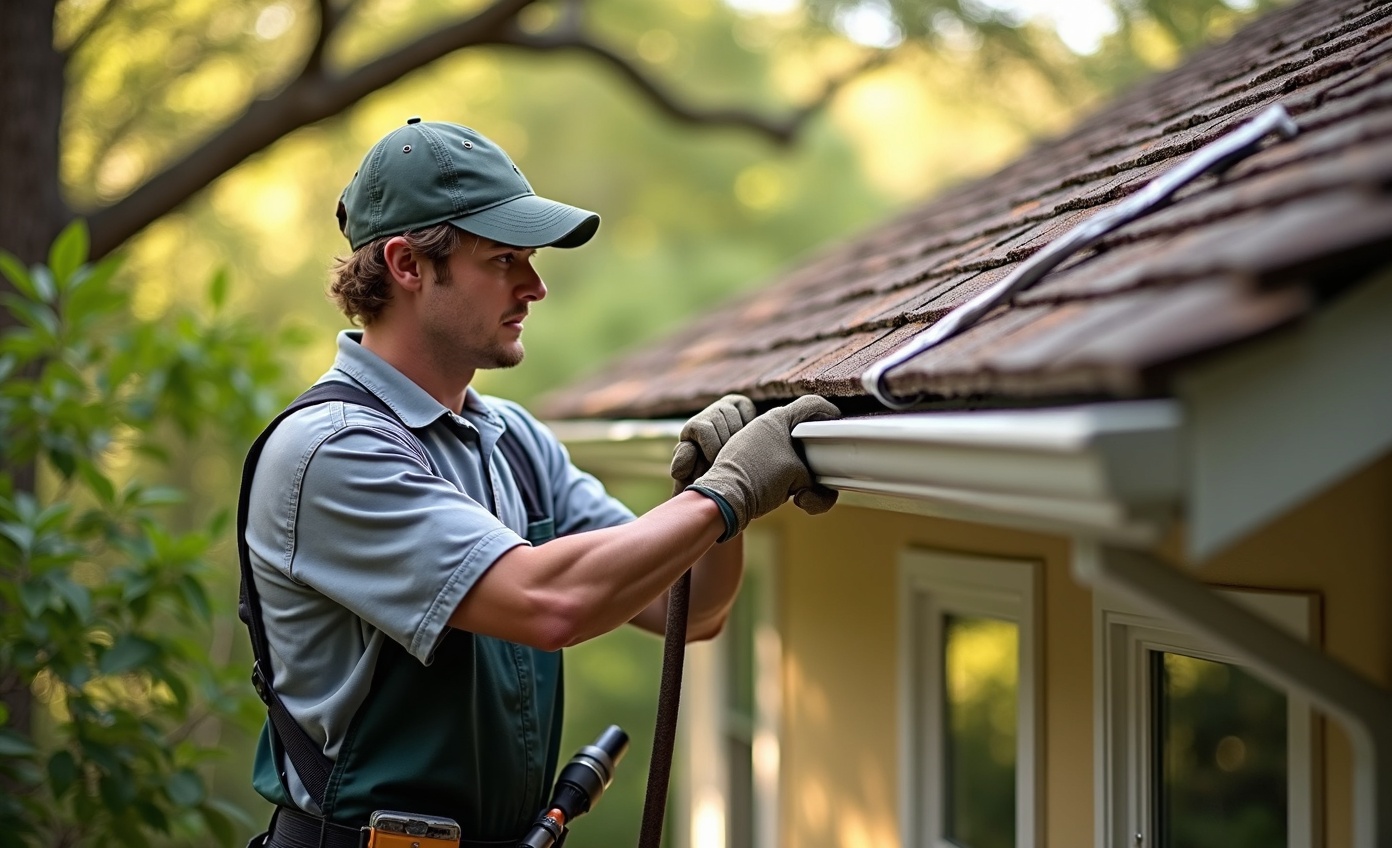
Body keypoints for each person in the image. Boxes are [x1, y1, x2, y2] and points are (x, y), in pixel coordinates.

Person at [239, 117, 840, 848]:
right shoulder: (330, 452)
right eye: (504, 260)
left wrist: (720, 496)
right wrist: (727, 494)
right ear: (406, 265)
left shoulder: (515, 443)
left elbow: (696, 607)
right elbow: (549, 603)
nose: (536, 286)